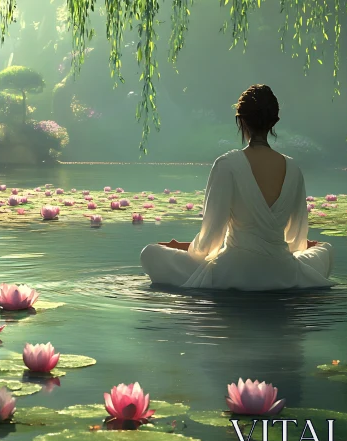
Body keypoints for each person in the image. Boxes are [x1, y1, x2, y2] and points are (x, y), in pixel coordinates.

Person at [140, 84, 335, 291]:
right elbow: (296, 242)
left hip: (231, 272)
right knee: (327, 250)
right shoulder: (294, 169)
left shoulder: (227, 164)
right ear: (274, 122)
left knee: (150, 253)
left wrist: (184, 248)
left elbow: (211, 240)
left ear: (240, 120)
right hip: (283, 271)